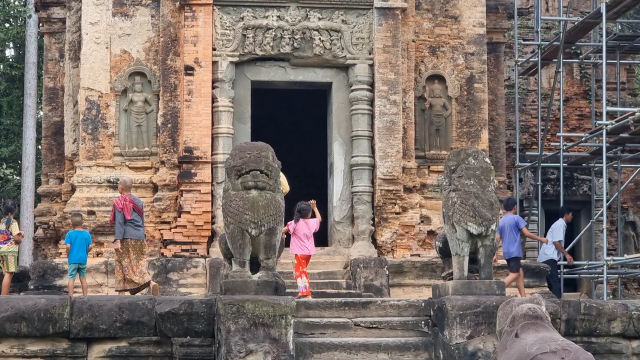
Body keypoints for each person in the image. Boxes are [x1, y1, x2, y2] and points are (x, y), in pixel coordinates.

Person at [110, 176, 160, 296]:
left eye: (118, 185)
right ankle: (123, 292)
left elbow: (120, 222)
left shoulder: (120, 201)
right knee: (139, 263)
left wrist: (117, 240)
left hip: (126, 237)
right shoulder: (138, 201)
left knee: (122, 262)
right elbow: (142, 220)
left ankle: (148, 283)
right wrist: (143, 236)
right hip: (139, 236)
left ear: (121, 187)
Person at [494, 197, 549, 297]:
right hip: (514, 252)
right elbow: (527, 233)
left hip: (507, 253)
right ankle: (498, 288)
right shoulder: (516, 218)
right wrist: (541, 239)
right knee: (514, 274)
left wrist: (494, 254)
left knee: (519, 273)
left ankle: (523, 298)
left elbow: (497, 239)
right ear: (515, 207)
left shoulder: (501, 221)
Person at [282, 200, 321, 299]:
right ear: (309, 214)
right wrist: (315, 207)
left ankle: (306, 293)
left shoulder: (294, 223)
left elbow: (283, 230)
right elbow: (319, 219)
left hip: (300, 252)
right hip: (308, 252)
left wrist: (282, 233)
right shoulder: (312, 222)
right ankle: (302, 291)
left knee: (300, 272)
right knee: (300, 271)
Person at [537, 206, 574, 299]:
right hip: (549, 257)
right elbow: (556, 242)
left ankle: (552, 302)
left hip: (547, 256)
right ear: (566, 215)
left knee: (550, 282)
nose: (572, 217)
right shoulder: (560, 224)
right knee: (554, 282)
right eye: (571, 215)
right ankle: (558, 303)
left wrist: (558, 255)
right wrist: (566, 254)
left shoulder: (559, 224)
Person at [65, 213, 93, 296]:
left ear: (71, 223)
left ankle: (70, 297)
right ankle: (85, 296)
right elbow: (90, 246)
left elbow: (68, 246)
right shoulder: (87, 234)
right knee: (83, 278)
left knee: (71, 278)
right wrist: (86, 251)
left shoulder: (69, 234)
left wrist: (68, 254)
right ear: (83, 222)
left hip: (72, 259)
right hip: (83, 259)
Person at [0, 201, 24, 295]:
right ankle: (4, 297)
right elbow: (16, 238)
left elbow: (7, 233)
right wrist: (21, 237)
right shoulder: (13, 222)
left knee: (5, 272)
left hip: (2, 249)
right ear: (15, 210)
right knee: (9, 273)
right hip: (10, 251)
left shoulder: (2, 221)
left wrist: (19, 232)